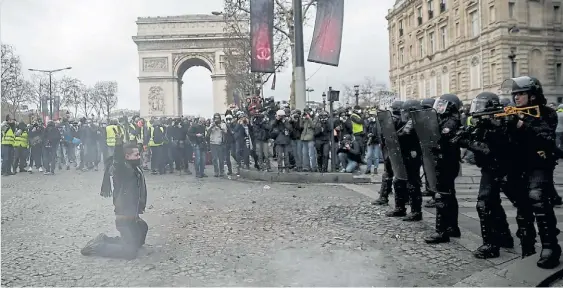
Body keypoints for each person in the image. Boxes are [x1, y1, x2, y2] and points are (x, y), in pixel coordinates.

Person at [504, 76, 561, 268]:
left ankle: (550, 247)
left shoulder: (547, 113)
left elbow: (545, 137)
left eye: (521, 94)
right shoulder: (511, 112)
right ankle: (527, 247)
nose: (516, 98)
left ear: (533, 95)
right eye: (514, 94)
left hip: (539, 163)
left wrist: (521, 124)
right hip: (517, 165)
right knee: (522, 205)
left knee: (538, 199)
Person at [457, 92, 515, 258]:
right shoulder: (482, 123)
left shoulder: (501, 123)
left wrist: (468, 142)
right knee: (491, 202)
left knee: (487, 204)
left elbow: (489, 149)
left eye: (482, 106)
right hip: (491, 169)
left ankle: (491, 244)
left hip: (503, 169)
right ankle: (503, 238)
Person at [81, 137, 148, 260]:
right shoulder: (123, 170)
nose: (139, 157)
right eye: (136, 155)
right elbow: (118, 163)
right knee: (130, 252)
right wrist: (118, 147)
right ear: (126, 157)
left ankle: (107, 239)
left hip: (132, 215)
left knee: (142, 232)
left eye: (139, 154)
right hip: (124, 217)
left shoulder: (135, 168)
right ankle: (97, 246)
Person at [423, 94, 463, 243]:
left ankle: (442, 232)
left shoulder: (451, 122)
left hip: (446, 160)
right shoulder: (444, 119)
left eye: (443, 104)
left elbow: (441, 139)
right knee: (449, 195)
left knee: (442, 195)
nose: (439, 107)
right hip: (445, 160)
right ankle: (452, 228)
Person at [365, 109, 381, 175]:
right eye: (370, 115)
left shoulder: (378, 123)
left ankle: (375, 168)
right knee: (369, 156)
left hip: (376, 141)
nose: (370, 117)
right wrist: (368, 135)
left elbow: (379, 132)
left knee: (376, 156)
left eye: (372, 115)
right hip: (370, 141)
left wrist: (374, 136)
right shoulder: (369, 123)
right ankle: (368, 169)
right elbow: (366, 131)